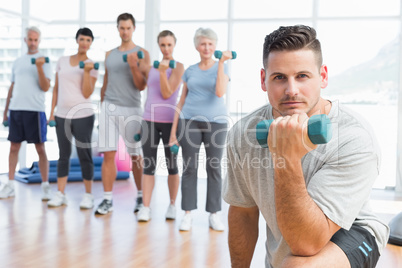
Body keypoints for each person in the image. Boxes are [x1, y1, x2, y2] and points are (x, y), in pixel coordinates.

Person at [223, 25, 390, 268]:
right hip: (292, 237)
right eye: (279, 77)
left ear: (322, 76)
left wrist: (285, 157)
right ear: (263, 80)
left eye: (302, 76)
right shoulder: (243, 133)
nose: (291, 90)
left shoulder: (354, 137)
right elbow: (243, 212)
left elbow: (306, 244)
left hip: (354, 230)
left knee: (298, 265)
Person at [169, 28, 233, 231]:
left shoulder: (222, 68)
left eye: (211, 44)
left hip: (216, 123)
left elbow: (220, 91)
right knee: (190, 168)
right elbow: (181, 101)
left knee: (214, 168)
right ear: (197, 46)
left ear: (215, 46)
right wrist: (173, 132)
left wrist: (221, 62)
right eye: (203, 44)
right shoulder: (190, 70)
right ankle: (187, 213)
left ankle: (214, 214)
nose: (207, 47)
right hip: (189, 122)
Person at [95, 13, 150, 215]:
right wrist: (101, 107)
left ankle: (141, 196)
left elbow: (141, 86)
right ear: (117, 28)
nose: (124, 31)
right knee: (108, 154)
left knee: (136, 155)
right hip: (109, 106)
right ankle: (107, 200)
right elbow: (106, 82)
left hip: (132, 108)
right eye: (121, 28)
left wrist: (134, 64)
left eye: (128, 28)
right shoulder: (109, 54)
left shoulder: (142, 53)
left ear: (133, 28)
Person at [46, 27, 98, 208]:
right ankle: (60, 193)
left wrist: (86, 71)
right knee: (63, 155)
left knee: (84, 155)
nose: (84, 43)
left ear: (91, 43)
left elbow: (86, 93)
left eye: (88, 40)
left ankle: (88, 195)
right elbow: (56, 88)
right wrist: (51, 111)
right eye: (82, 39)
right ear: (77, 40)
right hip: (61, 115)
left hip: (83, 115)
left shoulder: (91, 65)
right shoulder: (62, 61)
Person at [137, 30, 184, 222]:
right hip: (149, 120)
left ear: (174, 45)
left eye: (169, 45)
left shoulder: (179, 67)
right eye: (162, 45)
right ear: (158, 45)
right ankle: (146, 208)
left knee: (172, 166)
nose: (166, 49)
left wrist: (163, 71)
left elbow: (166, 93)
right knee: (148, 166)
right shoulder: (151, 68)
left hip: (170, 123)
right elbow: (146, 91)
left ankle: (172, 205)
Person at [1, 26, 52, 200]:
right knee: (14, 147)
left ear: (39, 41)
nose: (32, 42)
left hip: (35, 110)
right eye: (30, 39)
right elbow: (13, 86)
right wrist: (5, 111)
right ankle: (10, 185)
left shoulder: (44, 60)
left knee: (40, 148)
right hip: (16, 109)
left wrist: (39, 67)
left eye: (35, 40)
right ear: (25, 40)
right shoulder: (18, 61)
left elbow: (45, 87)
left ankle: (45, 186)